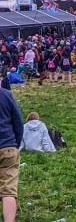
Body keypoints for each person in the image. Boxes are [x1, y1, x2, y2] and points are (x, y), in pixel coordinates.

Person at [0, 87, 22, 222]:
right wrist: (15, 144)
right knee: (8, 190)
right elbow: (18, 122)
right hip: (8, 146)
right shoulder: (6, 95)